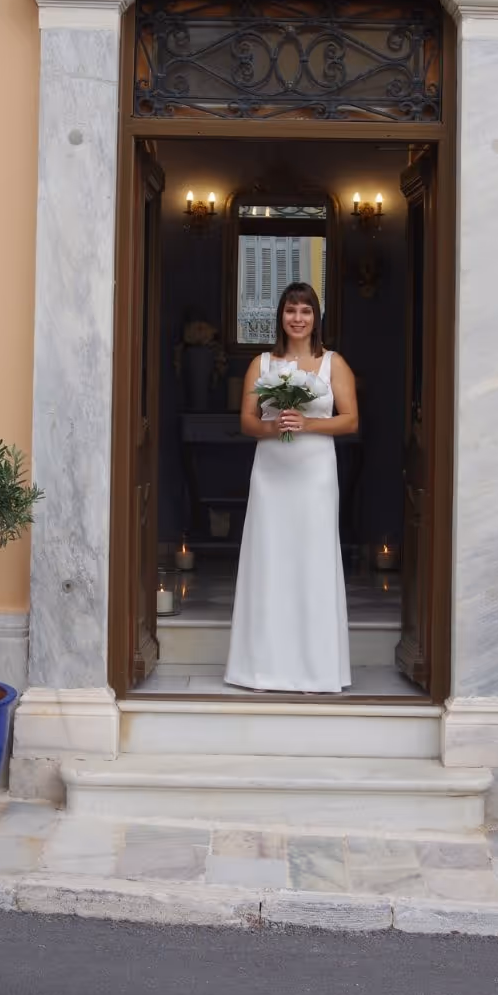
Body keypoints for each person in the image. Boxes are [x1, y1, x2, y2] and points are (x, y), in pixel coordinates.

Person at [225, 282, 358, 693]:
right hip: (271, 472)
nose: (297, 318)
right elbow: (246, 421)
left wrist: (307, 424)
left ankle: (317, 669)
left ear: (316, 317)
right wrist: (272, 426)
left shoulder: (333, 363)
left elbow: (350, 420)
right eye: (290, 310)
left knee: (312, 560)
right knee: (269, 559)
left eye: (305, 311)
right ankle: (260, 666)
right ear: (279, 316)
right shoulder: (261, 364)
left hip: (315, 473)